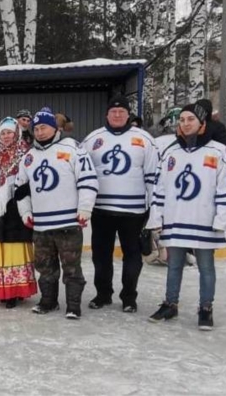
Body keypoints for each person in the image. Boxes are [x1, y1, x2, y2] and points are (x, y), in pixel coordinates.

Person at [146, 103, 226, 330]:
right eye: (182, 120)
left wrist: (221, 219)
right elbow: (160, 188)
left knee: (206, 266)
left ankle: (206, 308)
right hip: (176, 218)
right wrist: (156, 217)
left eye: (190, 120)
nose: (185, 124)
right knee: (174, 263)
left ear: (202, 123)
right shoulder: (170, 152)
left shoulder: (218, 151)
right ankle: (170, 304)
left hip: (204, 220)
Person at [15, 109, 98, 318]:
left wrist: (85, 208)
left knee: (71, 267)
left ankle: (73, 306)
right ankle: (48, 301)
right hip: (41, 225)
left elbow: (87, 180)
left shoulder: (73, 148)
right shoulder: (29, 157)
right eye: (36, 128)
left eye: (44, 127)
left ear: (55, 128)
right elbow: (20, 189)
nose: (40, 132)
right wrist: (25, 212)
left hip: (67, 223)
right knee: (45, 267)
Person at [82, 96, 158, 313]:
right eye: (113, 112)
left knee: (132, 255)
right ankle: (103, 294)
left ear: (128, 114)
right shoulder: (93, 139)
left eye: (122, 112)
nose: (117, 115)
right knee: (100, 255)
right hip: (101, 210)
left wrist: (153, 209)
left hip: (133, 211)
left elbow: (153, 175)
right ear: (107, 114)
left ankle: (129, 297)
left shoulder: (144, 139)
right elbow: (81, 173)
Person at [0, 117, 36, 309]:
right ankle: (4, 287)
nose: (6, 136)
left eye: (9, 133)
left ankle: (16, 290)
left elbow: (32, 176)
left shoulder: (25, 152)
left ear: (17, 133)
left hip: (17, 207)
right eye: (3, 133)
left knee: (16, 250)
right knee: (1, 249)